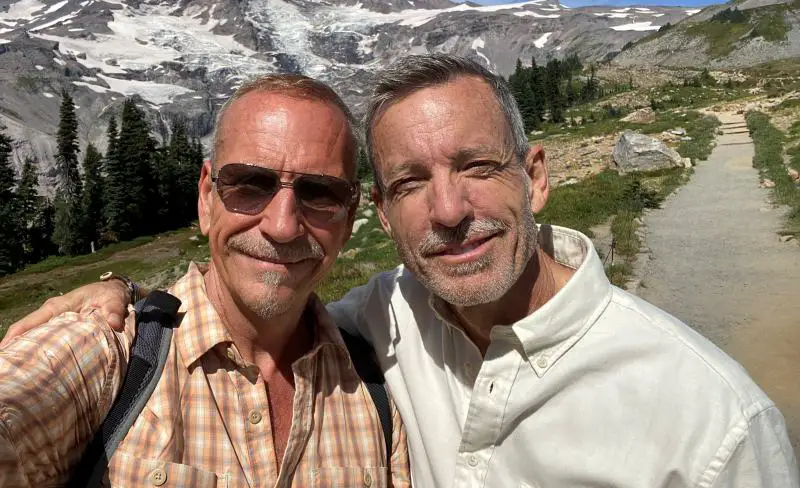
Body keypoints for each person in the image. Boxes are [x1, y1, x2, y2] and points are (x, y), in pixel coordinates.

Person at [7, 56, 799, 487]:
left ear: (538, 177)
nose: (448, 211)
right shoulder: (377, 327)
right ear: (383, 215)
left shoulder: (714, 421)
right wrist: (123, 298)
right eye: (412, 183)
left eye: (478, 167)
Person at [0, 75, 411, 487]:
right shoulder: (110, 353)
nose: (282, 226)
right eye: (250, 184)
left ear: (347, 218)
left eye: (320, 192)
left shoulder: (378, 391)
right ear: (206, 199)